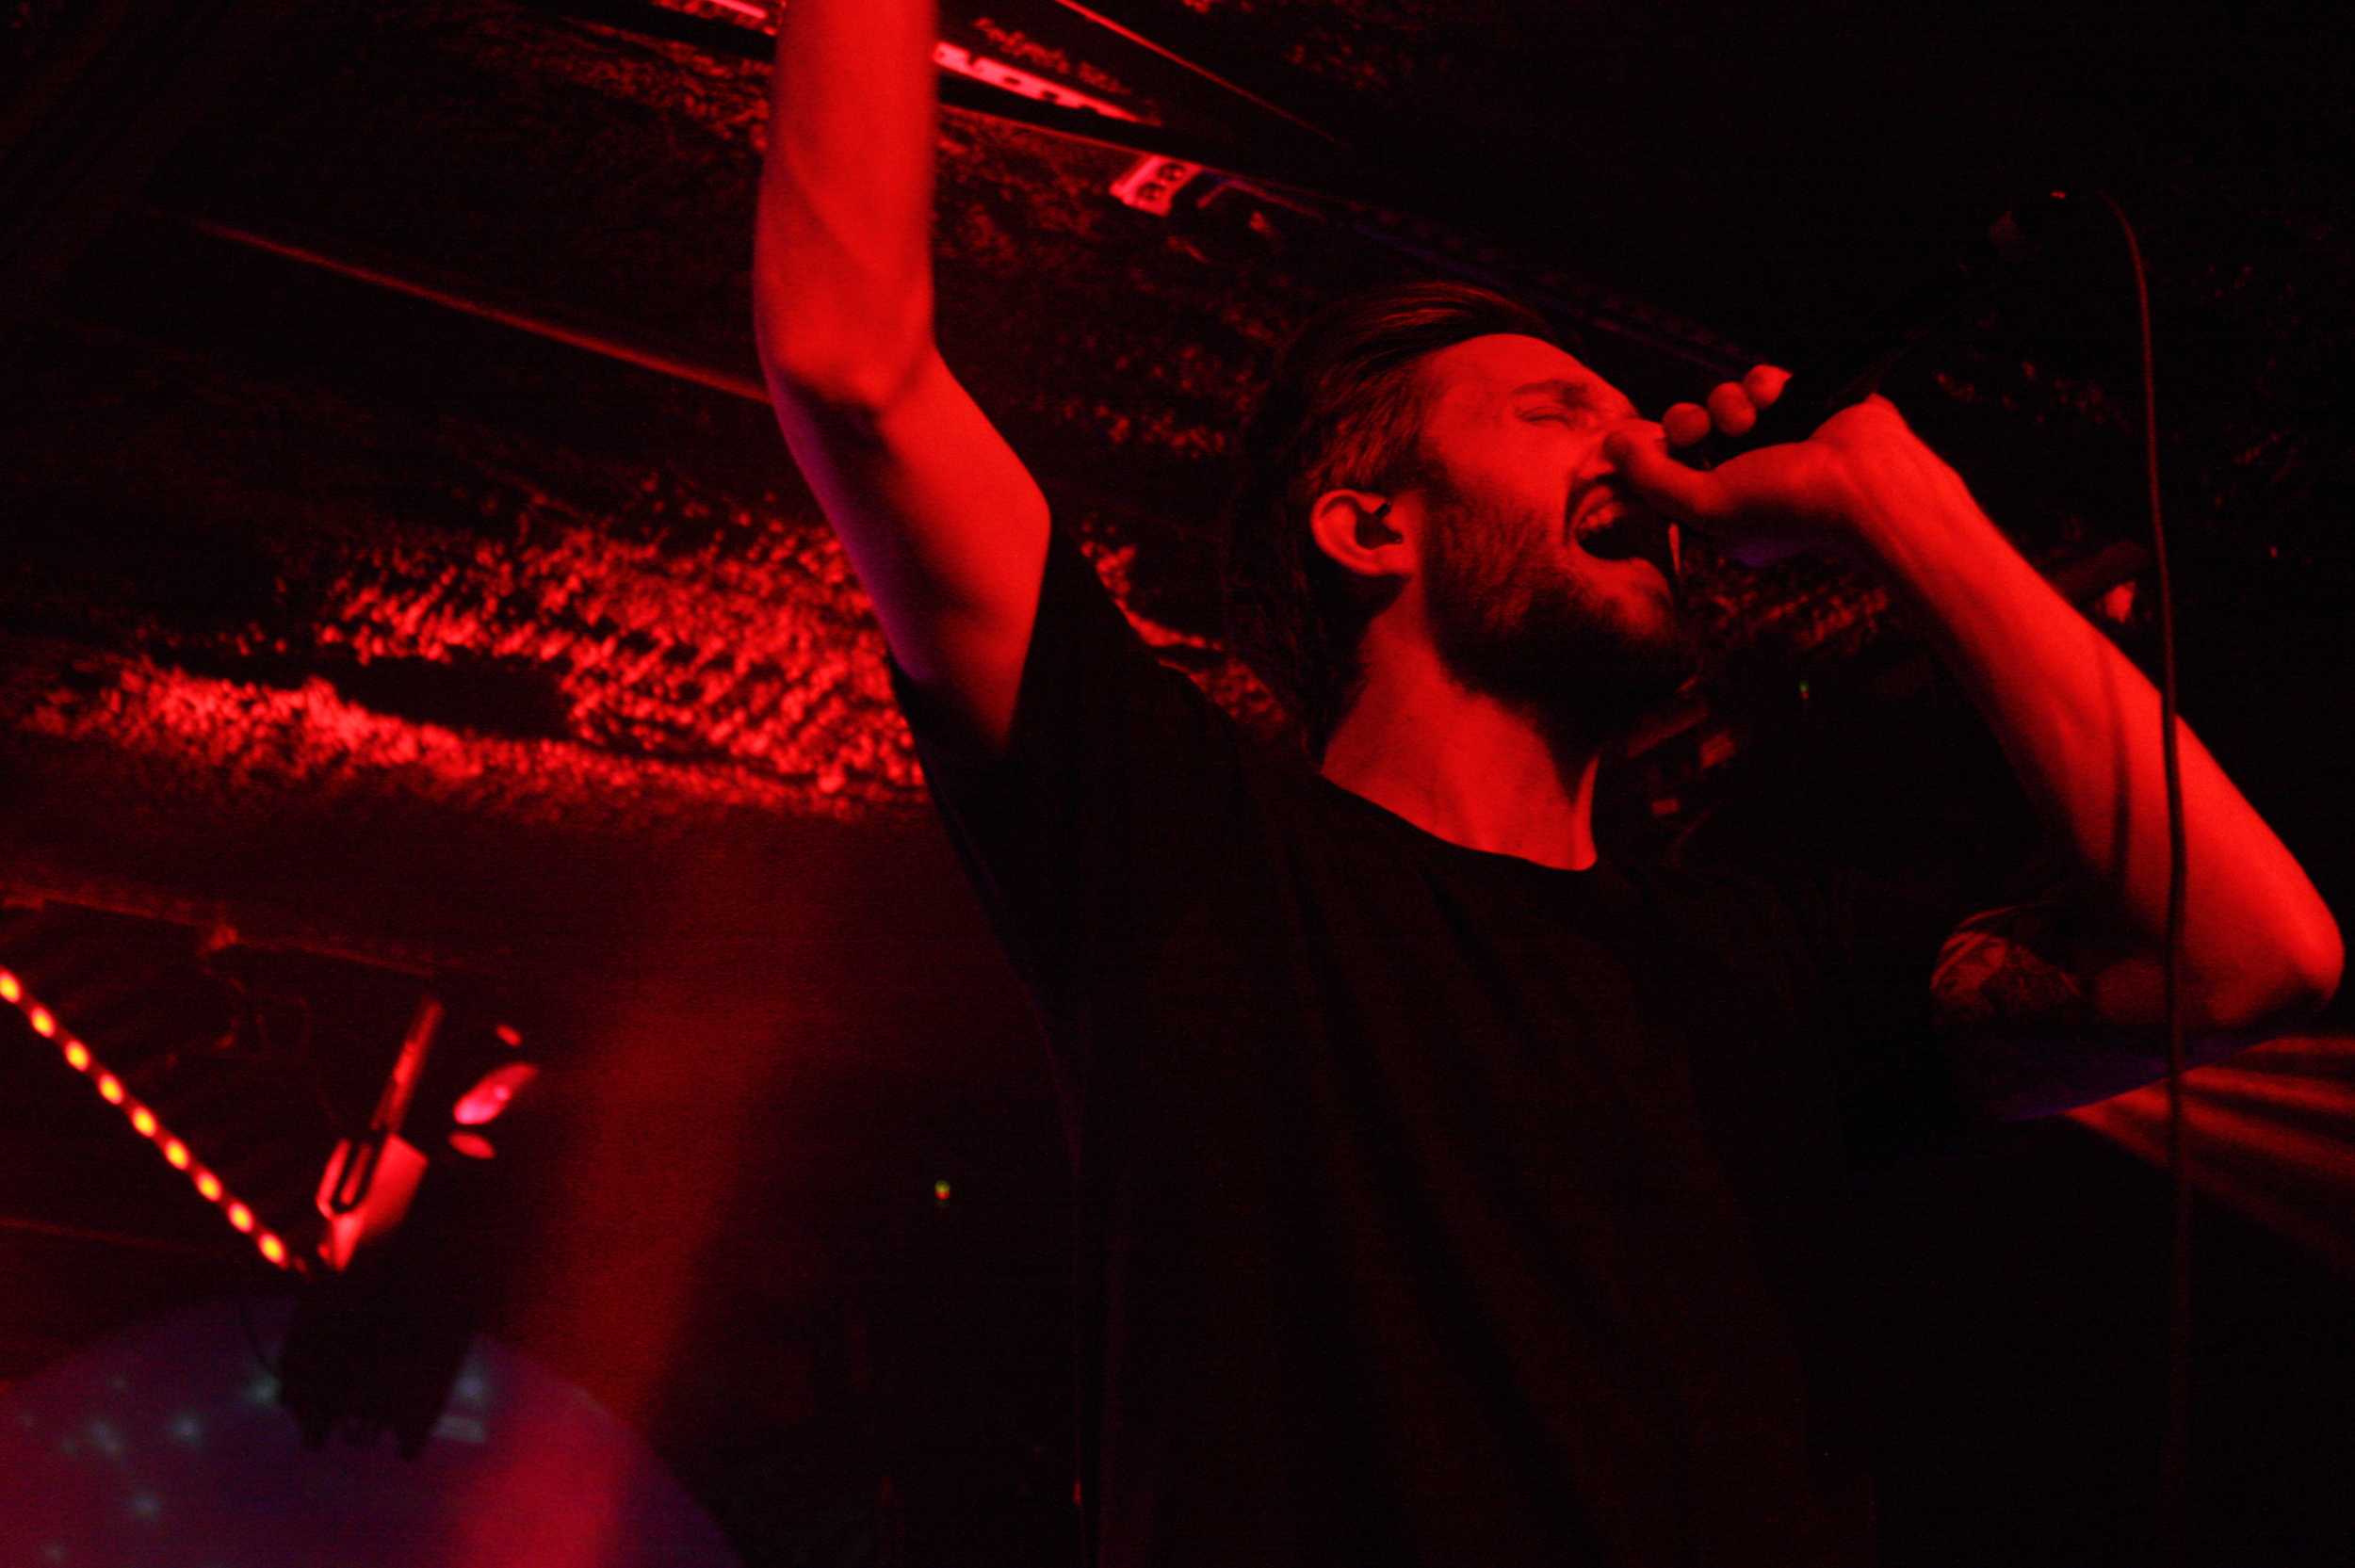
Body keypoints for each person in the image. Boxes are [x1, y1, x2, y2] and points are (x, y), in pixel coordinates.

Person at [751, 3, 2344, 1562]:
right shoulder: (1191, 850)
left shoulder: (1774, 960)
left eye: (1622, 406)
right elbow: (853, 362)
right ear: (1368, 524)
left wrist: (1904, 508)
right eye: (1553, 410)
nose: (1635, 442)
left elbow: (2259, 956)